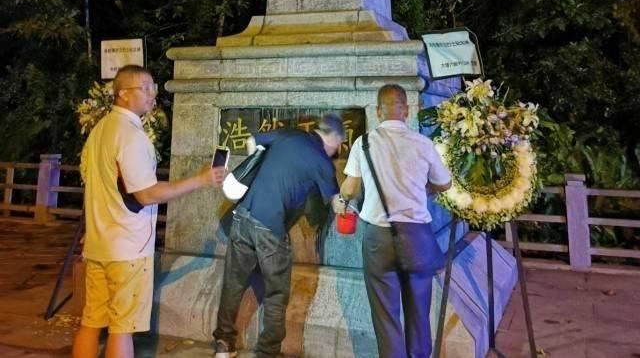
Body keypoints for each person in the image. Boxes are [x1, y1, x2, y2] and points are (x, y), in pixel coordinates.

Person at [72, 64, 225, 358]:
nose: (152, 95)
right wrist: (199, 180)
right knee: (121, 328)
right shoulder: (130, 136)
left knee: (91, 323)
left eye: (153, 88)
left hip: (99, 243)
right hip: (128, 249)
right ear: (123, 94)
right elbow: (145, 194)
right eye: (145, 88)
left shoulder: (99, 130)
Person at [213, 114, 345, 358]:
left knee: (233, 283)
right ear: (334, 138)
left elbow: (252, 141)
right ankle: (267, 352)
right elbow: (337, 204)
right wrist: (349, 201)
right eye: (339, 144)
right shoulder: (322, 163)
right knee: (276, 293)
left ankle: (223, 343)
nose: (337, 149)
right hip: (270, 227)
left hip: (242, 214)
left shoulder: (290, 134)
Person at [335, 84, 451, 358]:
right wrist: (423, 190)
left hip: (378, 238)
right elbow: (444, 184)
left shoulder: (363, 143)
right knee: (419, 313)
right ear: (406, 110)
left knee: (386, 317)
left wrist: (341, 201)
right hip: (417, 238)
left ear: (378, 112)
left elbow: (350, 190)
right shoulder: (423, 144)